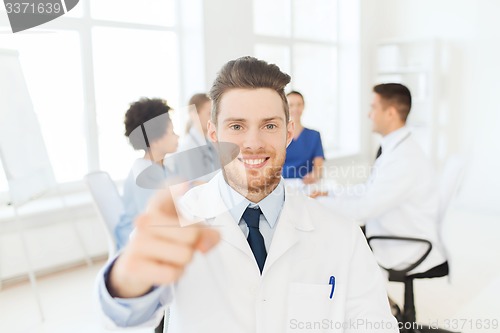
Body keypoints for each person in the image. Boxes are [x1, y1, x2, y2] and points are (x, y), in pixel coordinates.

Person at [97, 57, 398, 333]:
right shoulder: (178, 223)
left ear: (288, 133)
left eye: (269, 125)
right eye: (237, 126)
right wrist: (127, 280)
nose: (252, 143)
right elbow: (127, 315)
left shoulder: (342, 235)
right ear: (214, 135)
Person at [314, 83, 446, 275]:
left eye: (373, 107)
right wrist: (331, 193)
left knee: (331, 247)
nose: (369, 114)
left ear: (391, 113)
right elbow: (369, 189)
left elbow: (363, 210)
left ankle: (366, 302)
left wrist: (319, 202)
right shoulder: (396, 149)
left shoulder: (403, 159)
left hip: (402, 244)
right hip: (393, 231)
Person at [114, 98, 179, 250]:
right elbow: (156, 219)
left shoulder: (162, 168)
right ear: (155, 140)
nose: (177, 136)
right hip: (137, 242)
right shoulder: (144, 174)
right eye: (172, 132)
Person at [282, 91, 325, 184]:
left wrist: (314, 175)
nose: (295, 109)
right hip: (282, 185)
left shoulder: (314, 135)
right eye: (291, 105)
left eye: (299, 104)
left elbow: (319, 168)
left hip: (306, 184)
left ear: (303, 106)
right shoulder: (278, 136)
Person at [175, 93, 219, 182]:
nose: (214, 119)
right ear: (194, 114)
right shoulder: (187, 146)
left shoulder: (210, 142)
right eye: (209, 113)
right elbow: (192, 183)